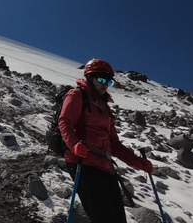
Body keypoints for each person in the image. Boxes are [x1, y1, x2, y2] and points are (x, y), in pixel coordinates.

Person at [58, 58, 153, 223]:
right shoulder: (77, 95)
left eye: (108, 81)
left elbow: (114, 144)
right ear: (90, 77)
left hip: (105, 167)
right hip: (83, 162)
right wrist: (74, 145)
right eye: (101, 80)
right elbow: (65, 121)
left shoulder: (105, 108)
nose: (105, 84)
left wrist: (138, 162)